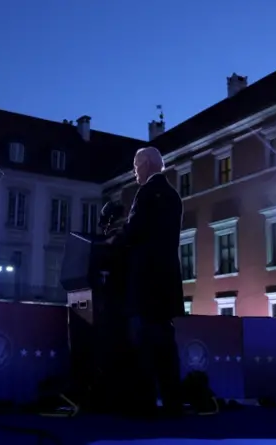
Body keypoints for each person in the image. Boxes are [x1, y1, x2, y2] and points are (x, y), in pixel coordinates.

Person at [110, 146, 185, 417]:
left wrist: (114, 239)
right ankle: (173, 402)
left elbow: (135, 231)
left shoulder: (146, 193)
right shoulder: (174, 196)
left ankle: (144, 404)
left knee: (142, 344)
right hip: (167, 282)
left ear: (149, 164)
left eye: (136, 164)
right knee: (166, 344)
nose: (134, 170)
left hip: (145, 282)